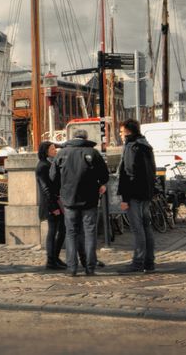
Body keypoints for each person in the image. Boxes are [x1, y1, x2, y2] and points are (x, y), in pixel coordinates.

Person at [51, 129, 109, 277]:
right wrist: (99, 184)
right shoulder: (93, 153)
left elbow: (53, 176)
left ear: (72, 138)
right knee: (90, 233)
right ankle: (90, 267)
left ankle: (72, 268)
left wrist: (61, 189)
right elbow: (104, 174)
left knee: (71, 233)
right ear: (86, 138)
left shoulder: (62, 153)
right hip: (90, 199)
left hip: (69, 199)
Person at [116, 118, 157, 274]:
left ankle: (138, 262)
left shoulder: (131, 146)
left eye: (121, 131)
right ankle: (149, 262)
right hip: (146, 193)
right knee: (146, 228)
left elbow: (127, 173)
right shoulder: (145, 145)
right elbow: (152, 170)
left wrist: (125, 198)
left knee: (137, 229)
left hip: (134, 194)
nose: (120, 134)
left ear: (128, 131)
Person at [36, 140, 65, 271]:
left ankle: (55, 257)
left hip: (56, 202)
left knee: (61, 230)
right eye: (52, 149)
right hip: (50, 204)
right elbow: (45, 188)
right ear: (46, 151)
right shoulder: (42, 166)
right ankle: (51, 260)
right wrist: (53, 207)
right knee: (53, 231)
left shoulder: (50, 164)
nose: (55, 151)